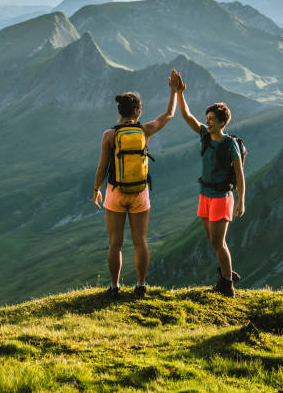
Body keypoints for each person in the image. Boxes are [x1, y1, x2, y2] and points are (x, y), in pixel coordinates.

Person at [93, 70, 179, 298]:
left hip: (115, 191)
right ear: (138, 110)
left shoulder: (109, 135)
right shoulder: (144, 130)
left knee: (115, 243)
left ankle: (114, 287)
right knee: (140, 241)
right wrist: (174, 90)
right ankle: (141, 285)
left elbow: (102, 167)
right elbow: (169, 114)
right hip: (140, 192)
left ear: (120, 111)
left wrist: (96, 190)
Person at [175, 72, 245, 297]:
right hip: (204, 194)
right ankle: (227, 274)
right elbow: (186, 115)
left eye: (212, 119)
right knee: (212, 240)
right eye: (207, 118)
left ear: (222, 122)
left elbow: (240, 175)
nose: (207, 122)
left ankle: (227, 283)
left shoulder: (230, 144)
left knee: (218, 240)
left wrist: (241, 201)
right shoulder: (205, 136)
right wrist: (179, 93)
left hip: (222, 197)